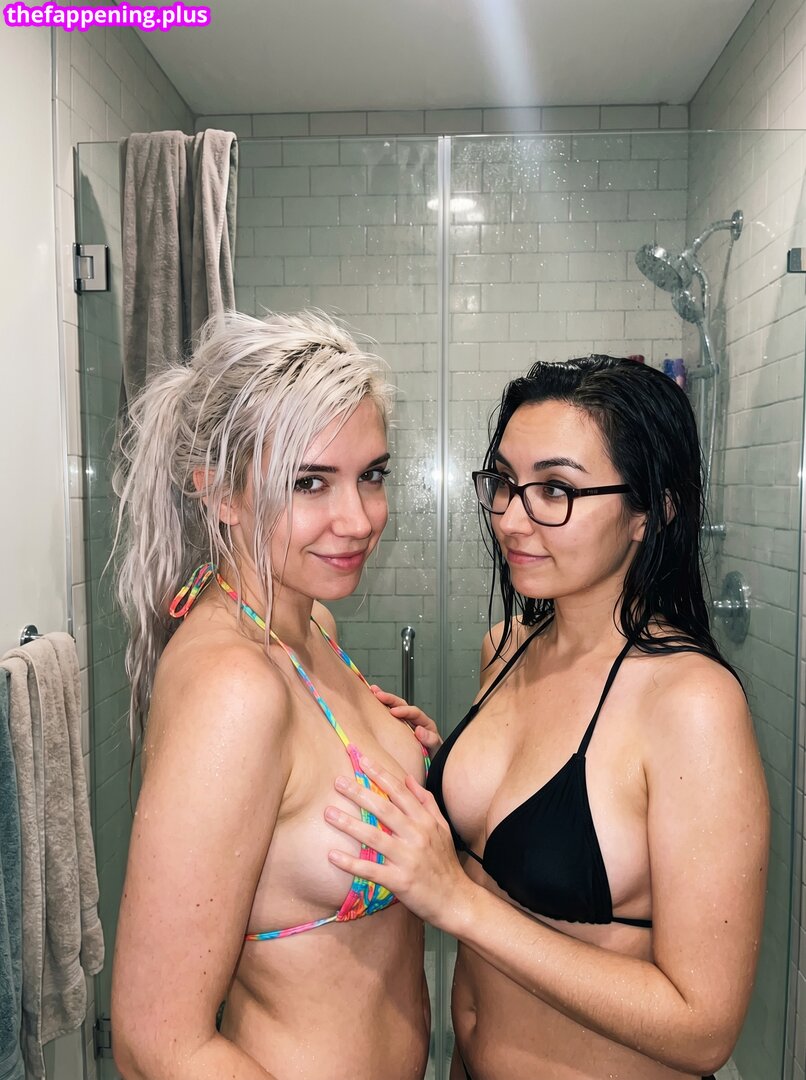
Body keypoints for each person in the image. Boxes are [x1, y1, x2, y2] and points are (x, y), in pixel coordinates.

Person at [326, 355, 769, 1080]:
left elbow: (703, 1028)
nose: (510, 518)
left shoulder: (690, 704)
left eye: (555, 489)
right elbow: (506, 833)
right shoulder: (505, 649)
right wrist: (433, 764)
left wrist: (457, 903)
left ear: (651, 511)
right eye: (504, 483)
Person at [110, 310, 431, 1080]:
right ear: (220, 494)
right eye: (309, 482)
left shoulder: (309, 625)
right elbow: (157, 1042)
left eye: (372, 475)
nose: (359, 519)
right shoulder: (236, 686)